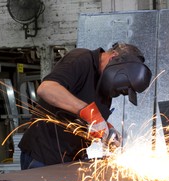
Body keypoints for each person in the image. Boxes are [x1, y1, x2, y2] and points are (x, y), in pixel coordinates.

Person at [18, 42, 152, 170]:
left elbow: (89, 120)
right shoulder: (81, 59)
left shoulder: (104, 86)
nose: (118, 93)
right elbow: (47, 89)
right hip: (42, 158)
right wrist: (90, 113)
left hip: (70, 160)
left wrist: (106, 130)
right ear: (113, 57)